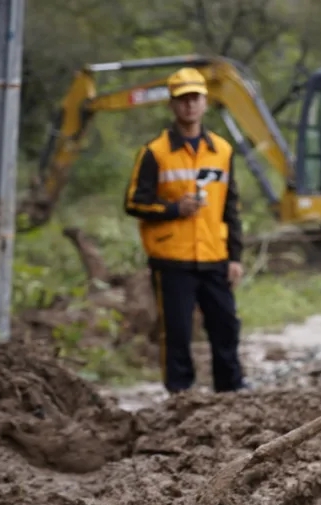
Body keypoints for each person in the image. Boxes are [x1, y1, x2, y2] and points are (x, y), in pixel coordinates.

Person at [124, 68, 245, 395]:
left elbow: (231, 207)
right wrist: (174, 209)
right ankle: (180, 396)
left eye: (195, 98)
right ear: (172, 104)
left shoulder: (222, 151)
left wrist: (235, 256)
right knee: (176, 332)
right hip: (172, 259)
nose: (189, 105)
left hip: (214, 255)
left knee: (226, 326)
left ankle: (232, 393)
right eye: (182, 99)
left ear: (205, 102)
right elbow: (134, 202)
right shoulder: (155, 152)